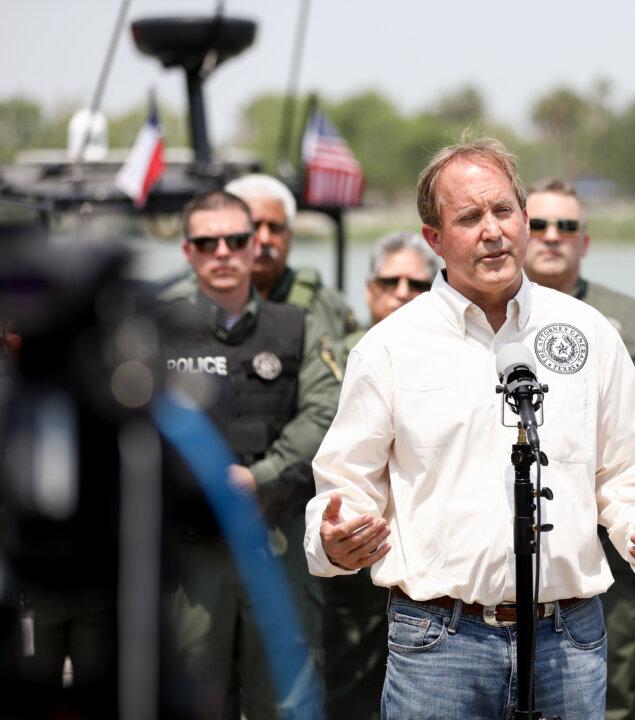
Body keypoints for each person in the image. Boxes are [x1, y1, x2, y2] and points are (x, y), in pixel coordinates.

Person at [304, 138, 635, 719]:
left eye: (503, 211)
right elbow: (345, 486)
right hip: (438, 645)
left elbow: (629, 473)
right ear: (434, 239)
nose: (492, 231)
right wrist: (334, 539)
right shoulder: (388, 348)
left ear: (525, 219)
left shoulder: (588, 333)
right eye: (469, 217)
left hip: (570, 639)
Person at [158, 189, 340, 719]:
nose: (223, 252)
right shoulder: (158, 330)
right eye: (207, 242)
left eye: (235, 240)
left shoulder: (298, 325)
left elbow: (325, 414)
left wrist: (258, 475)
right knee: (188, 698)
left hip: (275, 545)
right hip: (191, 555)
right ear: (188, 251)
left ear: (254, 243)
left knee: (286, 703)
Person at [523, 177, 635, 720]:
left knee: (611, 682)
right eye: (540, 225)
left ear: (585, 241)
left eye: (567, 226)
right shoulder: (493, 314)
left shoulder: (630, 318)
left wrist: (592, 475)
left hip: (605, 537)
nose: (553, 237)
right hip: (508, 539)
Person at [320, 231, 438, 720]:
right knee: (347, 686)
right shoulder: (336, 356)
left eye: (417, 282)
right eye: (391, 280)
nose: (403, 291)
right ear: (370, 289)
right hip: (354, 550)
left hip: (425, 570)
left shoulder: (452, 355)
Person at [224, 173, 361, 343]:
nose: (265, 238)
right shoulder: (191, 302)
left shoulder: (325, 304)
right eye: (254, 226)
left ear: (290, 237)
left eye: (275, 228)